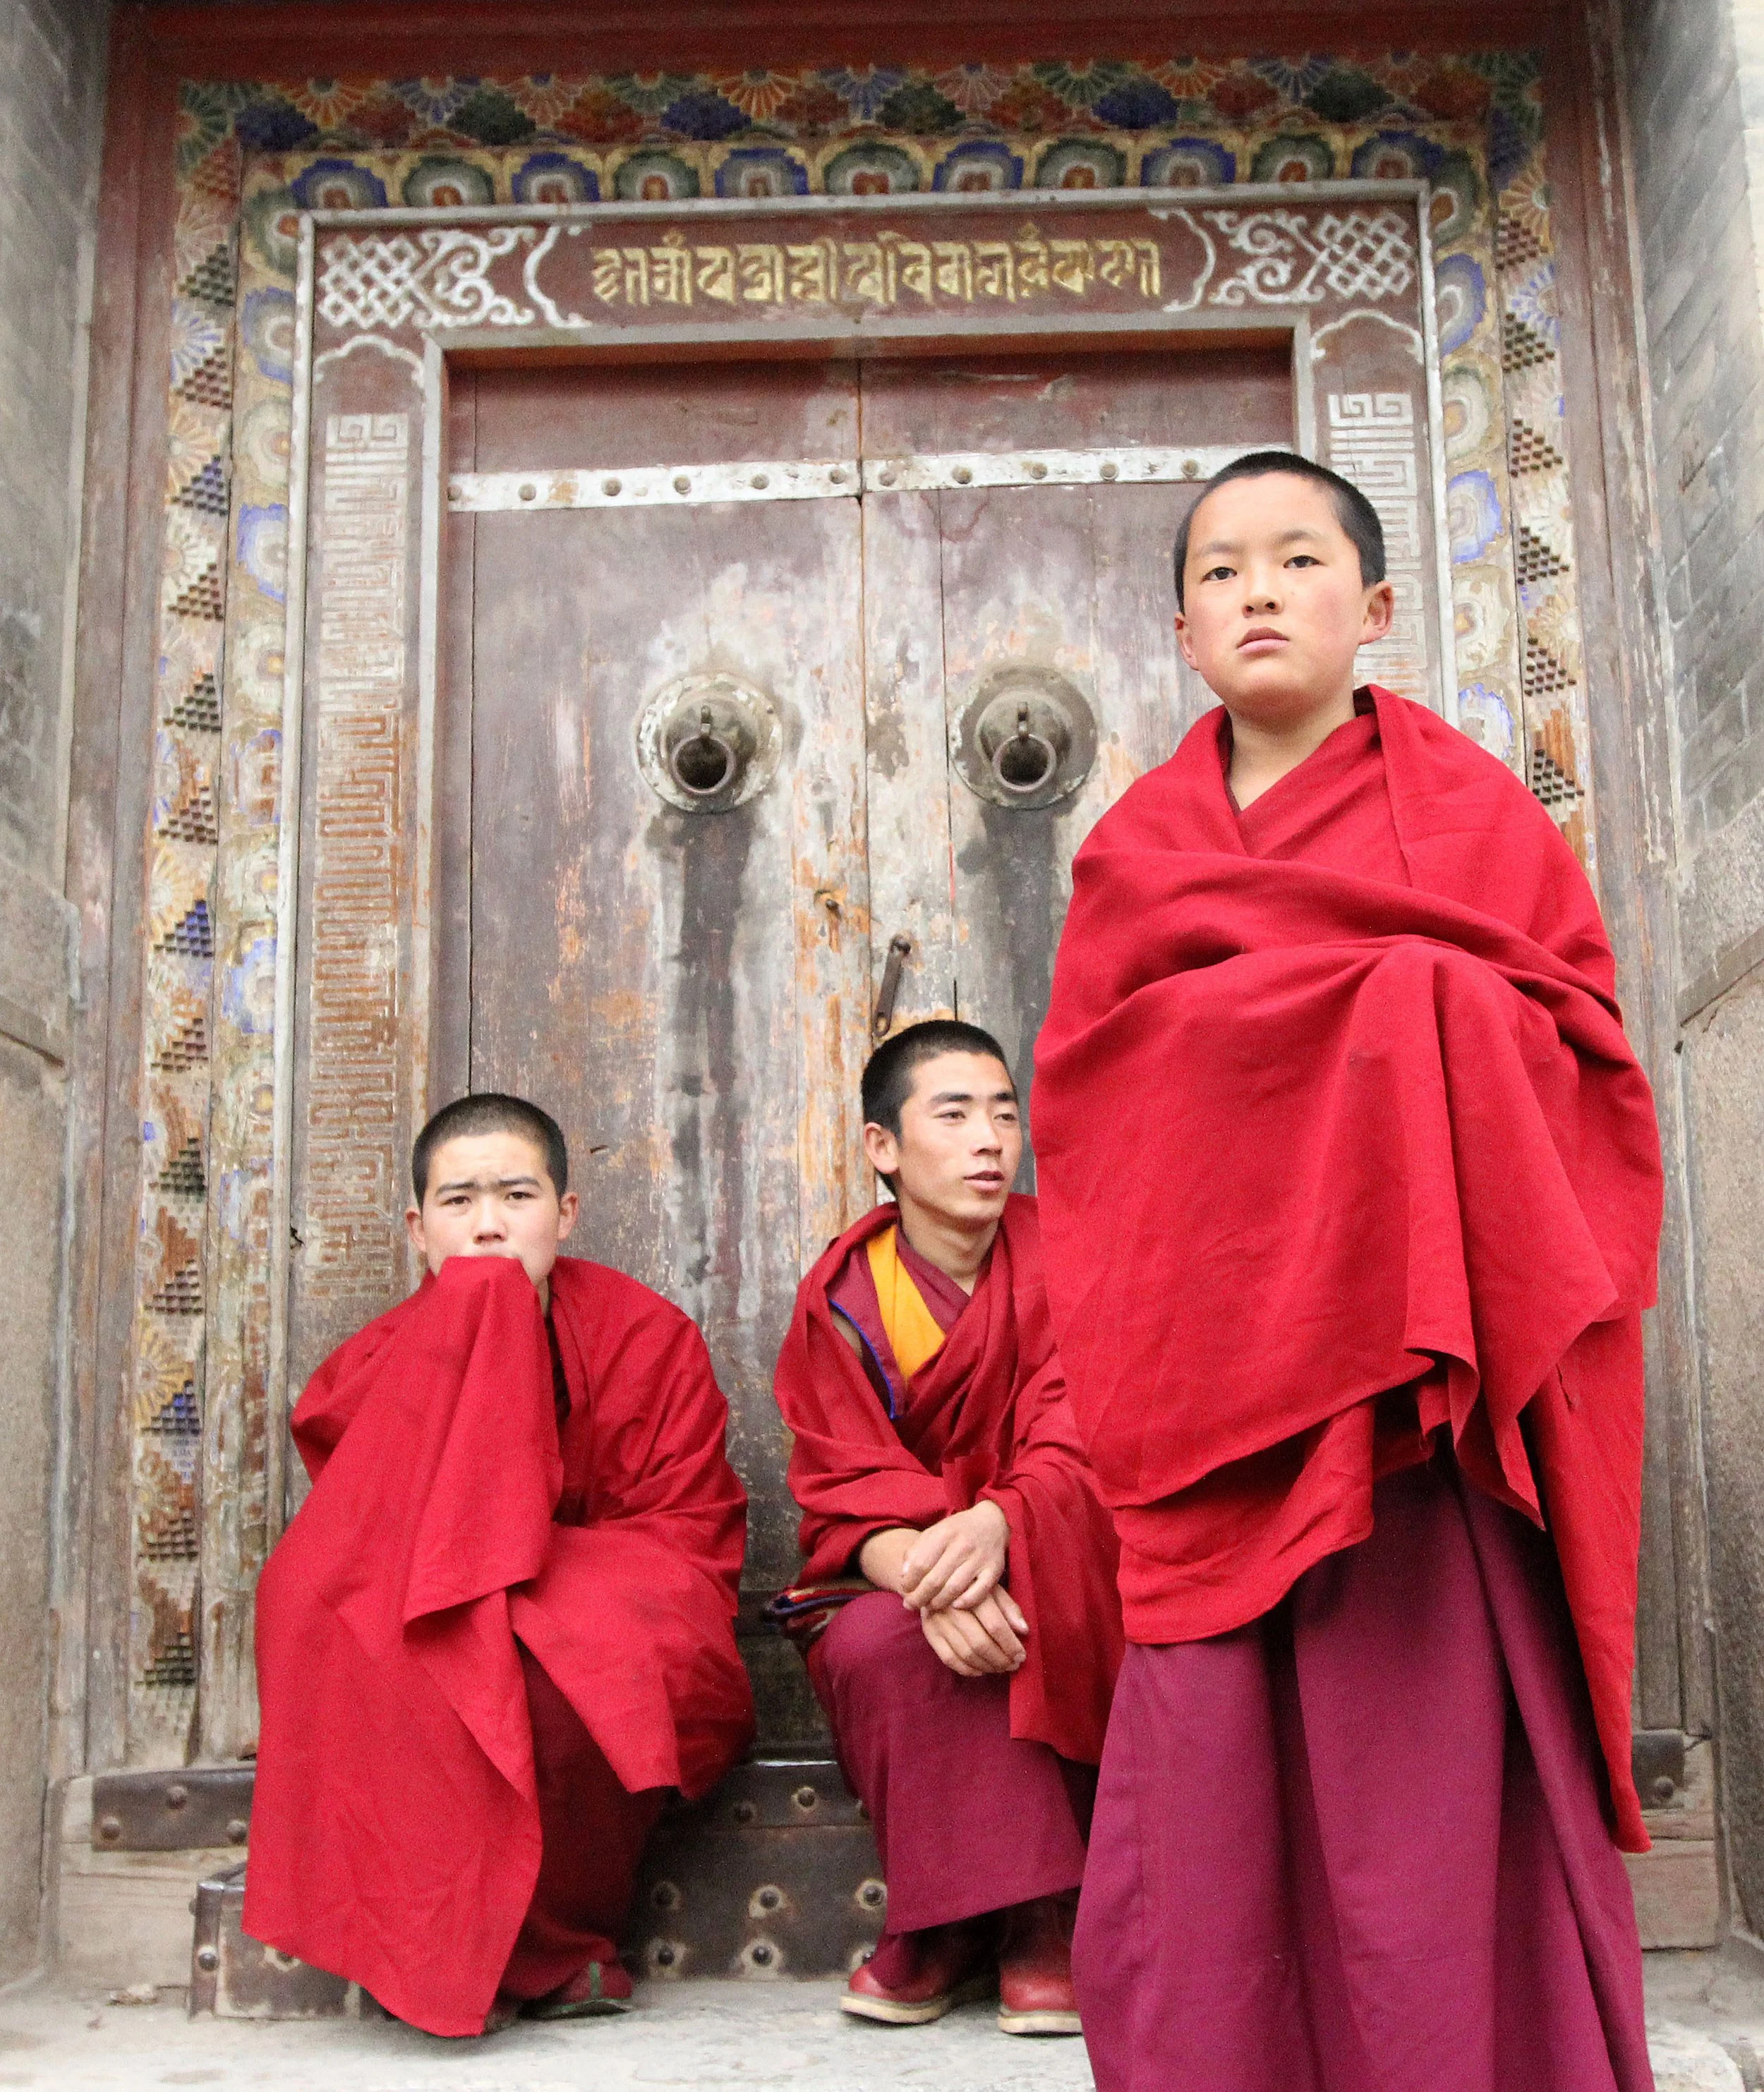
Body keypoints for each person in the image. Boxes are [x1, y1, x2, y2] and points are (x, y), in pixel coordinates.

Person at [1032, 452, 1664, 2092]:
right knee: (1209, 1793)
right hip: (1220, 1397)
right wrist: (1369, 1014)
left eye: (1295, 560)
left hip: (1419, 1406)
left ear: (1372, 607)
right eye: (1220, 570)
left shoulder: (1475, 823)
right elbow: (1098, 1112)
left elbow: (1577, 1061)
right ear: (1178, 628)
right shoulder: (1134, 856)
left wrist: (1405, 1016)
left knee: (1425, 1784)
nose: (1255, 590)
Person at [246, 1093, 754, 2038]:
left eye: (517, 1196)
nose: (488, 1225)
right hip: (442, 1608)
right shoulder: (382, 1360)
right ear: (418, 1229)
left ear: (564, 1213)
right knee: (353, 1627)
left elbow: (685, 1535)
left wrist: (529, 1586)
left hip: (601, 1602)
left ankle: (561, 1947)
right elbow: (364, 1541)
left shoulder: (648, 1340)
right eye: (459, 1202)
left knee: (562, 1668)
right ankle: (423, 1945)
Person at [771, 1020, 1122, 2036]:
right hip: (917, 1568)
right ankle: (954, 1920)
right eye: (954, 1114)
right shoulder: (841, 1300)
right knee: (879, 1640)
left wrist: (1009, 1525)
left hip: (1064, 1545)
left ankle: (1043, 1922)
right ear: (884, 1147)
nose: (989, 1141)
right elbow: (840, 1484)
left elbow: (1094, 1423)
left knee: (1047, 1606)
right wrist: (933, 1572)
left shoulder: (1072, 1254)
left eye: (1005, 1114)